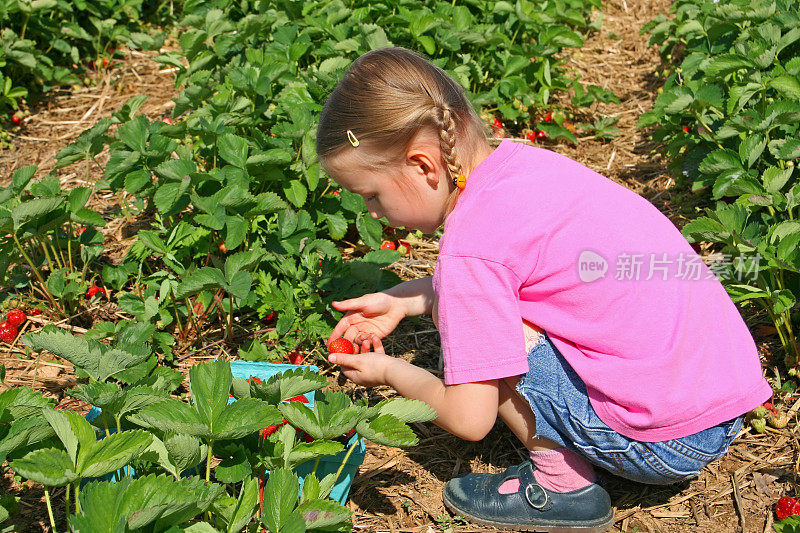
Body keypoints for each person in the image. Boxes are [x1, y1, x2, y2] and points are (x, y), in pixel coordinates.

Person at [316, 47, 771, 532]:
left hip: (661, 442)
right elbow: (508, 269)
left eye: (371, 194)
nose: (370, 213)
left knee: (487, 329)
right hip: (723, 400)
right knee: (481, 309)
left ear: (424, 166)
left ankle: (560, 486)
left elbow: (470, 420)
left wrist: (389, 369)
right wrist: (403, 299)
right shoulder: (522, 166)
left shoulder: (470, 248)